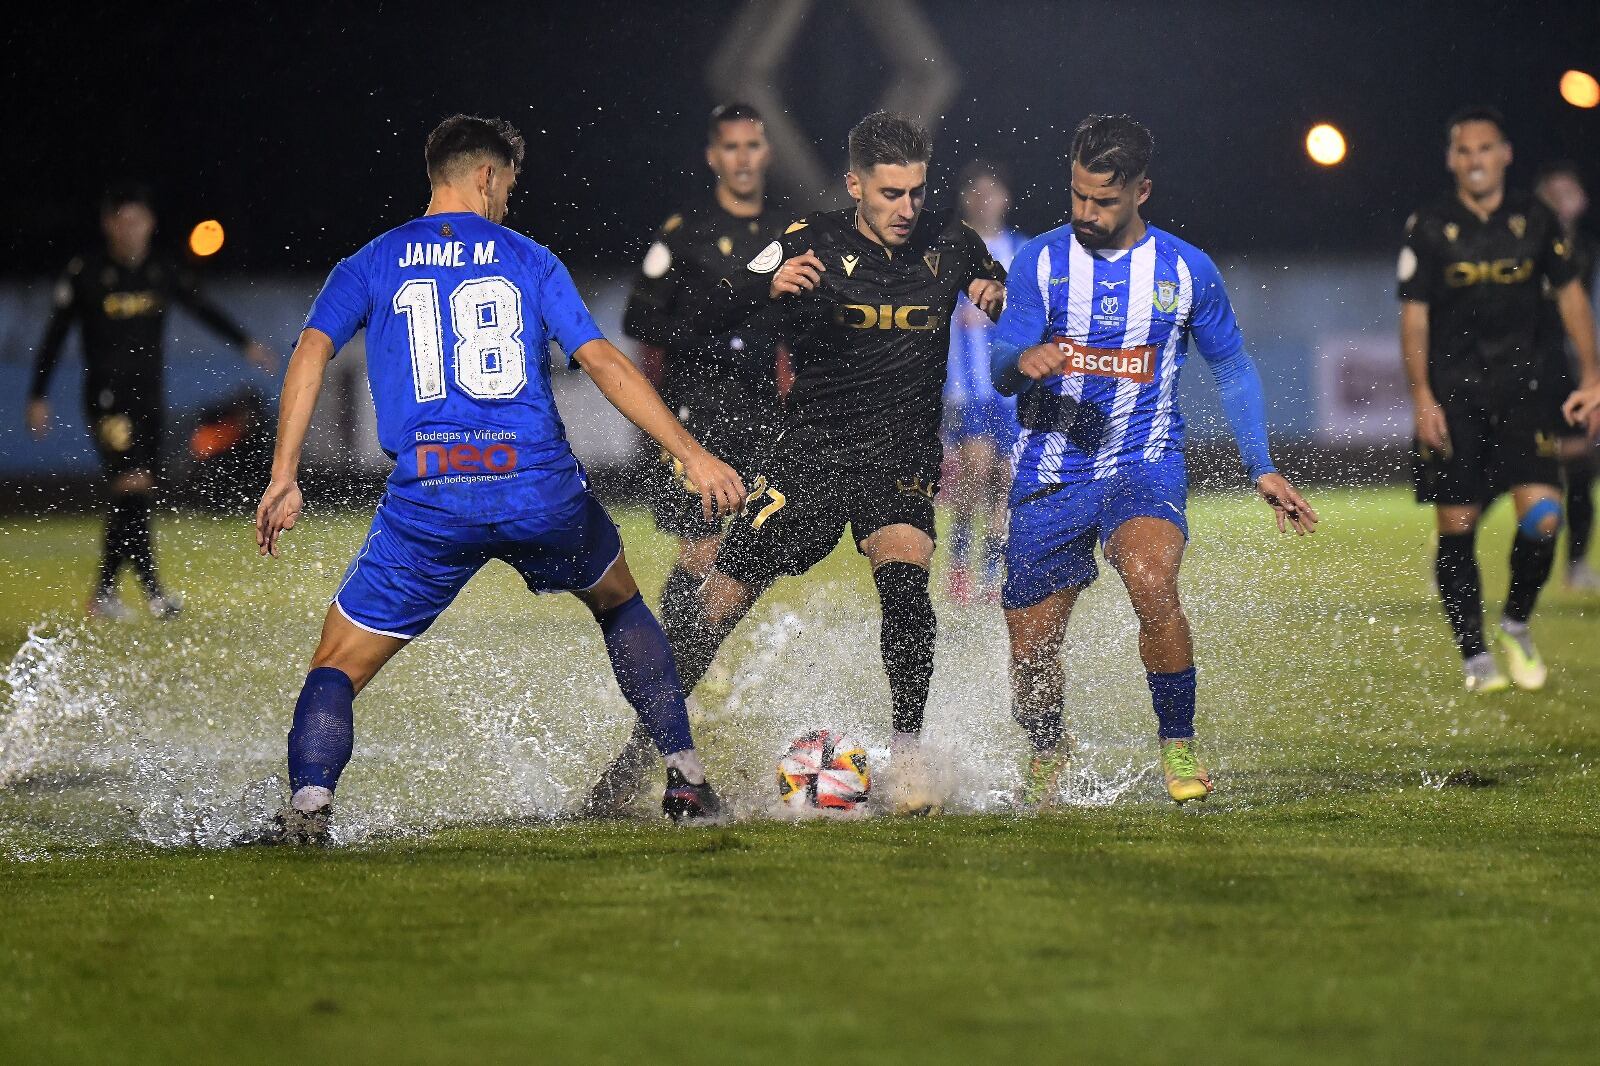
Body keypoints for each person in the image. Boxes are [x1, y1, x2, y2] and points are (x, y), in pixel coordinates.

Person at [251, 115, 745, 842]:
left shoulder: (369, 262)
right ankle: (687, 780)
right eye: (508, 188)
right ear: (485, 176)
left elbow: (309, 354)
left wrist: (284, 474)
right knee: (619, 603)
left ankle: (309, 812)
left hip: (431, 498)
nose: (509, 203)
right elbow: (605, 362)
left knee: (336, 665)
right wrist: (690, 453)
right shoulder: (530, 259)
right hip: (537, 488)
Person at [586, 111, 1006, 816]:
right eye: (889, 195)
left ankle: (908, 763)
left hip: (897, 456)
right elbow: (709, 307)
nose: (906, 210)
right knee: (716, 603)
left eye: (916, 193)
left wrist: (995, 297)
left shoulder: (952, 243)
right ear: (854, 185)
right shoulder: (806, 240)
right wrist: (767, 289)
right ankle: (640, 756)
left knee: (906, 582)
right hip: (808, 453)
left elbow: (998, 289)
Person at [989, 114, 1319, 807]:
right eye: (1077, 196)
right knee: (1031, 653)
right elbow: (998, 366)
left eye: (1102, 201)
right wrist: (1022, 360)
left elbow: (1231, 366)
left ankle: (1178, 742)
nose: (1085, 212)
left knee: (1151, 579)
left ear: (1143, 190)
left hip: (1145, 461)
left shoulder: (1186, 269)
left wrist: (1259, 463)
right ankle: (1048, 749)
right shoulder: (1040, 262)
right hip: (1052, 473)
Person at [1400, 108, 1600, 694]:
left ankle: (1515, 623)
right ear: (1451, 160)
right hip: (1456, 398)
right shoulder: (1430, 225)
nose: (1475, 160)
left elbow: (1571, 302)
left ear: (1505, 154)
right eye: (1464, 151)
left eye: (1485, 149)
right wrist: (1421, 397)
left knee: (1544, 516)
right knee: (1457, 525)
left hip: (1526, 394)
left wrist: (1591, 376)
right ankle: (1474, 655)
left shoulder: (1536, 221)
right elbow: (1414, 317)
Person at [27, 184, 279, 619]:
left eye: (140, 221)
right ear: (109, 224)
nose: (133, 230)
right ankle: (154, 595)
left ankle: (105, 593)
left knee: (137, 494)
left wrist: (245, 344)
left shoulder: (160, 271)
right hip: (106, 399)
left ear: (150, 225)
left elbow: (200, 307)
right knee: (133, 484)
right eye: (125, 221)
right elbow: (54, 335)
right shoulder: (86, 272)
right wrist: (37, 395)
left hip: (149, 400)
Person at [623, 102, 789, 687]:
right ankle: (676, 668)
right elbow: (638, 317)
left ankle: (685, 658)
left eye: (752, 146)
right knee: (702, 545)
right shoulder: (684, 232)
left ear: (766, 153)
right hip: (694, 411)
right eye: (731, 147)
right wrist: (714, 336)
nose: (742, 159)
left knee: (747, 549)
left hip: (762, 412)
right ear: (713, 156)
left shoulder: (785, 233)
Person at [942, 160, 1028, 605]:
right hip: (966, 389)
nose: (984, 202)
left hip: (1011, 392)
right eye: (976, 193)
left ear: (1005, 199)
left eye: (992, 193)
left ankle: (992, 575)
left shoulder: (1023, 251)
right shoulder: (949, 249)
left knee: (1005, 480)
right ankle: (959, 567)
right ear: (965, 200)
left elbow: (1039, 310)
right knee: (975, 475)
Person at [1532, 161, 1600, 591]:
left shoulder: (1585, 247)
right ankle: (1450, 542)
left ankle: (1575, 566)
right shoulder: (1520, 242)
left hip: (1562, 367)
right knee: (1501, 473)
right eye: (1553, 191)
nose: (1562, 198)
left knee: (1579, 468)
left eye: (1568, 190)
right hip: (1518, 368)